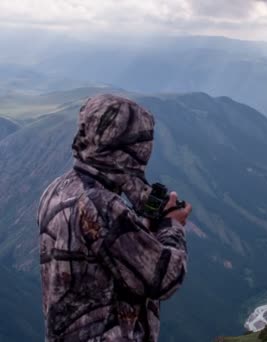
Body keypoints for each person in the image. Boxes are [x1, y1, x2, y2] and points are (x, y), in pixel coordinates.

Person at [37, 94, 191, 341]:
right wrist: (172, 224)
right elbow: (165, 278)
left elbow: (97, 259)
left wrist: (139, 225)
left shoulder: (56, 189)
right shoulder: (100, 204)